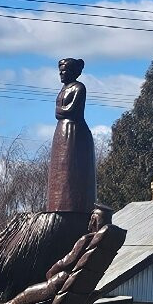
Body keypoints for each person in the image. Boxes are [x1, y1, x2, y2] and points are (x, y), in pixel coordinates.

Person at [46, 58, 96, 213]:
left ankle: (73, 206)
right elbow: (59, 112)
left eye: (65, 70)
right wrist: (61, 111)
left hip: (74, 131)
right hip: (61, 131)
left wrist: (61, 111)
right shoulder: (63, 89)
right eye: (60, 71)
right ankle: (57, 206)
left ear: (74, 72)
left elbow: (70, 110)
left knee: (71, 167)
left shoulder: (79, 88)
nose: (61, 74)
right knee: (59, 169)